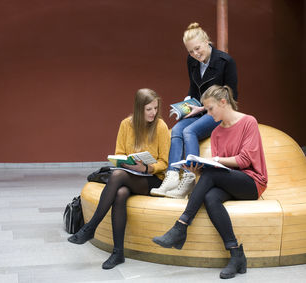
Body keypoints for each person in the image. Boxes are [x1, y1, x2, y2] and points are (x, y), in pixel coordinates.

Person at [152, 85, 268, 279]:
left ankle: (180, 227)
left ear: (223, 102)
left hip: (252, 182)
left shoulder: (249, 122)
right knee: (210, 197)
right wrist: (197, 170)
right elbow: (220, 170)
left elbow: (245, 160)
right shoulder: (216, 133)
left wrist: (215, 162)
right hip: (229, 180)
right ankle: (236, 254)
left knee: (211, 175)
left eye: (210, 109)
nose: (208, 113)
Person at [68, 88, 170, 269]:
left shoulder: (160, 126)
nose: (153, 113)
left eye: (155, 108)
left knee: (117, 176)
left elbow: (165, 162)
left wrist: (146, 167)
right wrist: (128, 163)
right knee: (120, 193)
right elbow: (119, 154)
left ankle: (91, 227)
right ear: (139, 109)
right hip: (130, 175)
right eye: (149, 109)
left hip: (153, 178)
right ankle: (118, 253)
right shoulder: (126, 124)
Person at [151, 22, 238, 199]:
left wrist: (204, 107)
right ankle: (172, 175)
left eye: (198, 49)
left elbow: (231, 97)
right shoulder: (192, 61)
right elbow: (193, 89)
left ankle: (190, 178)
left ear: (207, 42)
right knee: (176, 129)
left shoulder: (225, 61)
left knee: (189, 131)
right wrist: (185, 106)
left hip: (219, 111)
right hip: (198, 109)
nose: (195, 54)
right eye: (191, 51)